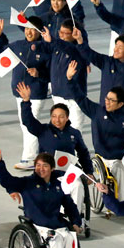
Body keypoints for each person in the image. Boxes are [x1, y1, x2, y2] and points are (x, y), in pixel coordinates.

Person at [0, 150, 82, 248]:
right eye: (38, 165)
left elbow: (70, 205)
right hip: (38, 226)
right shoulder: (28, 183)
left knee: (70, 238)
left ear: (52, 168)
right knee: (56, 241)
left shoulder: (59, 185)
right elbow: (7, 181)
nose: (41, 169)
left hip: (56, 224)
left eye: (45, 166)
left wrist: (76, 222)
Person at [67, 61, 124, 203]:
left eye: (111, 100)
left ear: (120, 104)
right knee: (120, 172)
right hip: (104, 158)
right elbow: (80, 98)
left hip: (121, 157)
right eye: (107, 98)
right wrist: (70, 79)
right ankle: (121, 203)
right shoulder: (96, 111)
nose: (107, 102)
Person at [17, 81, 94, 224]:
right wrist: (26, 101)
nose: (57, 120)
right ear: (51, 117)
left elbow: (83, 153)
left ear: (67, 118)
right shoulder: (43, 130)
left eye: (61, 117)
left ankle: (74, 220)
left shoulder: (74, 133)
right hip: (47, 174)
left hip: (68, 172)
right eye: (54, 116)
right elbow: (28, 121)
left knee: (77, 185)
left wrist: (89, 171)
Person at [0, 16, 51, 171]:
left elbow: (52, 72)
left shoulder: (45, 49)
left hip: (35, 93)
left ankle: (30, 158)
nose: (29, 32)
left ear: (40, 32)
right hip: (19, 92)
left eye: (33, 29)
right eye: (27, 28)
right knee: (26, 123)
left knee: (29, 123)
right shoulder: (17, 46)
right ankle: (37, 153)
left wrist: (39, 73)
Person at [74, 29, 124, 134]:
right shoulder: (106, 62)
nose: (116, 49)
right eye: (116, 45)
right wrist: (80, 40)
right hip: (105, 114)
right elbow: (90, 54)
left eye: (120, 47)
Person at [42, 21, 89, 132]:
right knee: (58, 131)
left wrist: (52, 40)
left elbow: (68, 48)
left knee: (75, 131)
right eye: (60, 32)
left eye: (65, 33)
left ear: (74, 34)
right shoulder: (56, 48)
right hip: (58, 95)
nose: (61, 35)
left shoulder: (79, 50)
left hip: (74, 98)